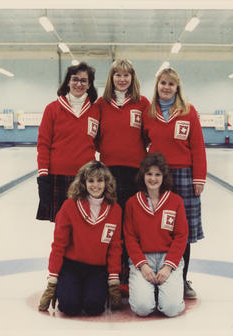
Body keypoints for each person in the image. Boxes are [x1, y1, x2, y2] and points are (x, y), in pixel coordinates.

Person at [143, 67, 207, 299]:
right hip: (157, 178)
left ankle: (181, 279)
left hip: (184, 176)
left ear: (177, 87)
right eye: (163, 83)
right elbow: (141, 143)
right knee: (158, 228)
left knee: (183, 231)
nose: (167, 87)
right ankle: (156, 277)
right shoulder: (148, 113)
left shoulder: (189, 112)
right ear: (157, 85)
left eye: (171, 83)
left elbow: (198, 146)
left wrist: (198, 177)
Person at [38, 160, 122, 316]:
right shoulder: (70, 206)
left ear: (106, 182)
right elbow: (59, 245)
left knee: (94, 307)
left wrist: (113, 282)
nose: (95, 185)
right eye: (90, 180)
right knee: (69, 307)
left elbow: (115, 247)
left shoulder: (115, 210)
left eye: (100, 180)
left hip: (97, 269)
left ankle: (90, 290)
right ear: (83, 183)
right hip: (72, 267)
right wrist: (52, 281)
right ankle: (64, 289)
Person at [94, 59, 150, 287]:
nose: (122, 79)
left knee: (131, 223)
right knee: (110, 222)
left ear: (132, 78)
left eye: (126, 75)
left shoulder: (142, 103)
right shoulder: (101, 104)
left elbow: (148, 136)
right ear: (111, 78)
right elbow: (95, 138)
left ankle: (129, 269)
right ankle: (110, 269)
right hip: (109, 173)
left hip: (135, 173)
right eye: (117, 75)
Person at [124, 153, 188, 317]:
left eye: (157, 174)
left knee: (171, 309)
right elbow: (130, 237)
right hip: (143, 260)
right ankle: (151, 291)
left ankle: (165, 292)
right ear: (143, 175)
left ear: (164, 177)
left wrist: (168, 267)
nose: (153, 179)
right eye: (149, 174)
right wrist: (143, 266)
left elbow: (181, 236)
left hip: (168, 260)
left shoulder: (175, 201)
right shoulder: (132, 203)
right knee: (142, 308)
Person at [36, 62, 99, 222]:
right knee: (61, 225)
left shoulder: (96, 110)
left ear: (89, 84)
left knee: (84, 224)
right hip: (58, 175)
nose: (79, 84)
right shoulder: (52, 108)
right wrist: (43, 175)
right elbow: (43, 144)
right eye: (75, 79)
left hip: (85, 177)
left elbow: (100, 142)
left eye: (84, 80)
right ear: (68, 82)